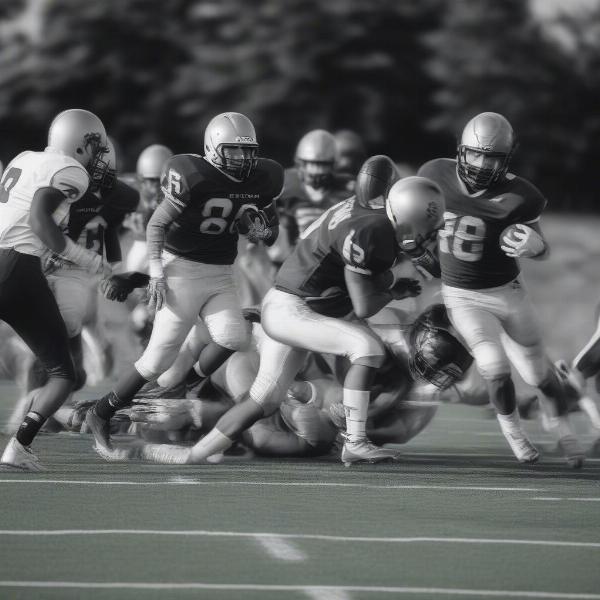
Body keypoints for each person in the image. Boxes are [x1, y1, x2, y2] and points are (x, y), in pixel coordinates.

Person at [128, 172, 445, 466]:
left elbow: (377, 170)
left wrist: (393, 281)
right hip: (294, 309)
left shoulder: (369, 215)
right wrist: (392, 290)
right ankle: (356, 441)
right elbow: (362, 306)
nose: (428, 238)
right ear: (406, 217)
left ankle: (194, 454)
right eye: (425, 228)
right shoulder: (371, 231)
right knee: (365, 348)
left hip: (289, 308)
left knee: (263, 400)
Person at [86, 112, 284, 453]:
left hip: (221, 270)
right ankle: (100, 411)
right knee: (156, 361)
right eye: (233, 151)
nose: (242, 159)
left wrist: (260, 230)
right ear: (211, 148)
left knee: (234, 336)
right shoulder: (193, 175)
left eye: (247, 151)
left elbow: (271, 231)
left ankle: (187, 385)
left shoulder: (262, 178)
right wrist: (158, 273)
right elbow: (156, 226)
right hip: (184, 270)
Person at [418, 111, 584, 468]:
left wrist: (536, 248)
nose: (480, 164)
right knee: (493, 364)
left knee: (537, 373)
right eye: (475, 154)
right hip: (462, 296)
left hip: (508, 292)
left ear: (506, 158)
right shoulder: (433, 175)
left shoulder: (521, 195)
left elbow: (543, 245)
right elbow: (415, 219)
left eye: (490, 157)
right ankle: (514, 434)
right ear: (460, 150)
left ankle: (565, 431)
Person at [0, 108, 111, 470]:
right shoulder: (72, 171)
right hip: (17, 267)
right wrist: (90, 260)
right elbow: (38, 219)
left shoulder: (24, 158)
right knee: (65, 375)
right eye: (95, 146)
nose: (97, 156)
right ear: (82, 143)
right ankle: (18, 448)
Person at [268, 129, 354, 267]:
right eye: (311, 164)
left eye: (322, 165)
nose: (316, 172)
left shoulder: (347, 188)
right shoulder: (285, 183)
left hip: (334, 259)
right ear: (299, 164)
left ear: (333, 165)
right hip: (291, 257)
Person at [123, 143, 174, 273]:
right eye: (153, 180)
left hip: (167, 247)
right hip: (140, 244)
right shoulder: (128, 191)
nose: (159, 185)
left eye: (163, 179)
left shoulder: (177, 194)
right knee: (134, 269)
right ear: (141, 179)